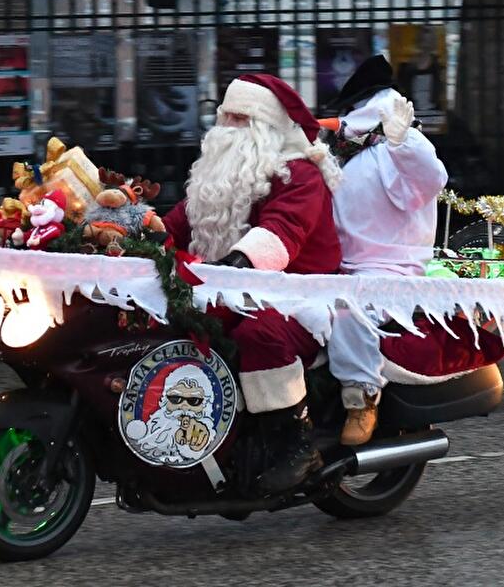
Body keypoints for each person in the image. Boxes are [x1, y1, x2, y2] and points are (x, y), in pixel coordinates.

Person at [163, 74, 343, 491]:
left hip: (298, 297)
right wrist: (133, 235)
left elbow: (282, 233)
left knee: (259, 334)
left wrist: (236, 262)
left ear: (267, 128)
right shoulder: (219, 180)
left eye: (240, 120)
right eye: (225, 117)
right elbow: (177, 223)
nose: (228, 129)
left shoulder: (300, 175)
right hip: (229, 290)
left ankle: (295, 444)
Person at [322, 55, 449, 445]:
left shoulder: (400, 145)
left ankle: (362, 397)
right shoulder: (349, 151)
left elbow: (434, 177)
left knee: (348, 307)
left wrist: (405, 139)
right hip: (341, 264)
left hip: (390, 270)